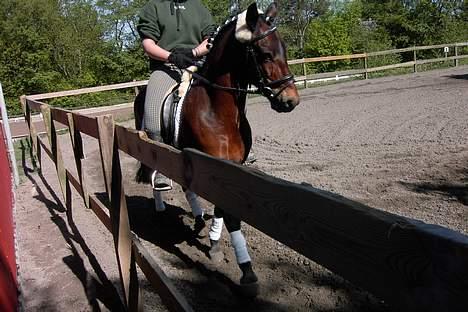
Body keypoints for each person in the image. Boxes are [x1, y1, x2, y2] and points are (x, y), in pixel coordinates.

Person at [137, 0, 215, 192]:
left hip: (197, 64)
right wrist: (171, 56)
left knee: (228, 92)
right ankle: (161, 167)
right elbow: (148, 44)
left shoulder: (199, 8)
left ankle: (240, 149)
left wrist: (194, 52)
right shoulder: (153, 7)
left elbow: (211, 39)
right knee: (153, 119)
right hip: (166, 67)